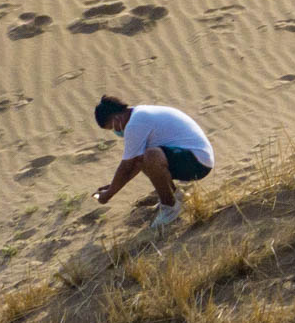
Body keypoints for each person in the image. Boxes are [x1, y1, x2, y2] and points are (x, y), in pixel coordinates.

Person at [92, 94, 214, 229]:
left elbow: (126, 166)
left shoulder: (136, 123)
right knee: (144, 156)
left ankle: (170, 207)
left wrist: (108, 195)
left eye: (112, 128)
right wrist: (112, 186)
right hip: (193, 157)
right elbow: (137, 163)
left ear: (117, 118)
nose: (116, 132)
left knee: (150, 155)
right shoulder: (139, 114)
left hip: (197, 162)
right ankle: (177, 197)